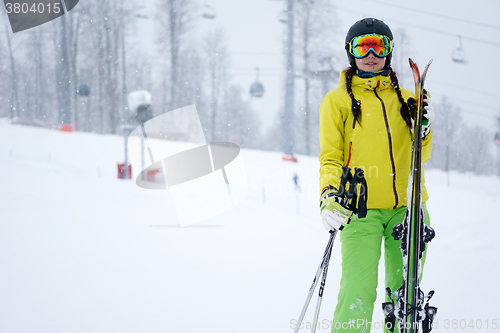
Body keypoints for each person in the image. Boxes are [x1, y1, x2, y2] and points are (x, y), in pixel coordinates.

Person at [318, 18, 434, 332]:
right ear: (351, 52)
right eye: (362, 46)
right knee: (358, 289)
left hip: (407, 210)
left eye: (379, 45)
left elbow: (420, 154)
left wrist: (422, 130)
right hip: (359, 209)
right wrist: (328, 196)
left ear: (389, 51)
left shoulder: (408, 99)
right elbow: (330, 157)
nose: (371, 53)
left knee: (403, 295)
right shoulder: (337, 101)